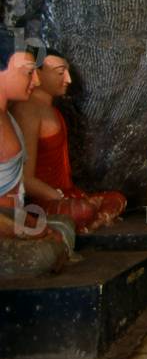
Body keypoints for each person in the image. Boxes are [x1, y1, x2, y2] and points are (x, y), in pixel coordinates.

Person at [12, 49, 126, 232]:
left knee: (117, 198)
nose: (68, 79)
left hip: (68, 193)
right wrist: (60, 198)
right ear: (37, 73)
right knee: (82, 210)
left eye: (67, 71)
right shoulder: (27, 111)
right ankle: (92, 220)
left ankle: (92, 220)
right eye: (60, 72)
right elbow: (26, 178)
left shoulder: (53, 111)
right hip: (43, 199)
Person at [0, 30, 75, 276]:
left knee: (64, 226)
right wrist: (22, 229)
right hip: (7, 222)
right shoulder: (23, 114)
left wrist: (28, 224)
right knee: (46, 252)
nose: (36, 81)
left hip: (13, 213)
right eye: (28, 73)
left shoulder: (9, 117)